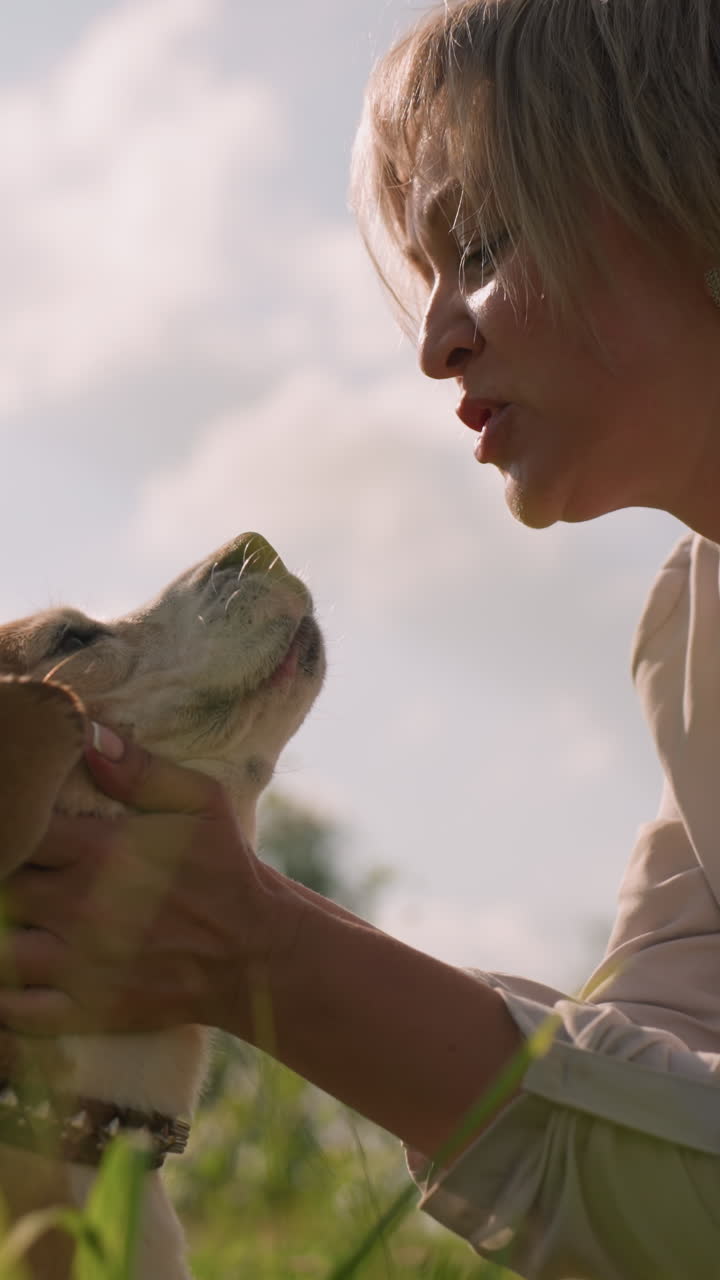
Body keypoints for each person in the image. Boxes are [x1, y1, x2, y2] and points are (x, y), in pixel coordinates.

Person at [4, 0, 720, 1275]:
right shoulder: (695, 636)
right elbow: (645, 1144)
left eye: (483, 243)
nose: (436, 341)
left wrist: (263, 948)